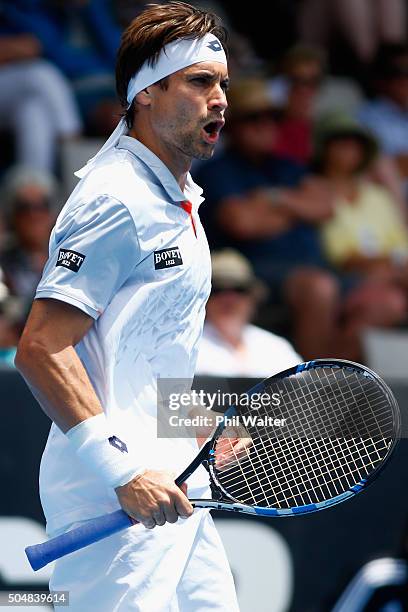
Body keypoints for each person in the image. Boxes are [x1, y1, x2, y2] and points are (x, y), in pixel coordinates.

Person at [15, 3, 242, 610]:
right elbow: (40, 348)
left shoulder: (178, 200)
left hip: (174, 480)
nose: (219, 97)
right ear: (147, 92)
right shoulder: (117, 198)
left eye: (223, 83)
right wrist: (122, 473)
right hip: (111, 488)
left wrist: (199, 426)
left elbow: (150, 352)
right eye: (199, 82)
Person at [194, 76, 344, 359]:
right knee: (319, 288)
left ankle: (357, 393)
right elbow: (243, 223)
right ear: (232, 126)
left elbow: (326, 207)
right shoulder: (219, 169)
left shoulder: (288, 167)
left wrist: (275, 200)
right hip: (253, 268)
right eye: (254, 120)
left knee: (382, 299)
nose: (266, 127)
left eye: (271, 119)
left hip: (312, 265)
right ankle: (314, 390)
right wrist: (299, 211)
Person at [313, 112, 408, 360]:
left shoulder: (378, 196)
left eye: (356, 143)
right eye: (341, 140)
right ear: (325, 147)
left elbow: (402, 246)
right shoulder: (314, 190)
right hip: (345, 279)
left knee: (390, 299)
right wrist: (389, 263)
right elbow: (341, 256)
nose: (349, 148)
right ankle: (329, 376)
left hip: (389, 276)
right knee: (388, 303)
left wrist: (388, 265)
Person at [196, 249, 302, 377]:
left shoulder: (277, 347)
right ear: (202, 298)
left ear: (253, 298)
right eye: (218, 289)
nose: (229, 299)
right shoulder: (188, 348)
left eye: (239, 289)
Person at [0, 166, 58, 320]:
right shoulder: (3, 262)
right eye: (24, 207)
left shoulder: (65, 256)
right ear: (12, 214)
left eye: (41, 205)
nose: (34, 215)